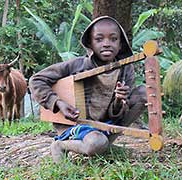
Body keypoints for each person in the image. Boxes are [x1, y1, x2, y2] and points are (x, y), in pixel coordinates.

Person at [29, 16, 147, 163]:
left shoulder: (126, 69)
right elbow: (36, 80)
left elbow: (118, 113)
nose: (106, 44)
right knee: (96, 143)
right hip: (77, 124)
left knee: (144, 93)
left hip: (106, 123)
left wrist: (119, 100)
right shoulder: (77, 65)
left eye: (113, 39)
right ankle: (60, 145)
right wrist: (58, 103)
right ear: (90, 44)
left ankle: (106, 145)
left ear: (121, 44)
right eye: (99, 39)